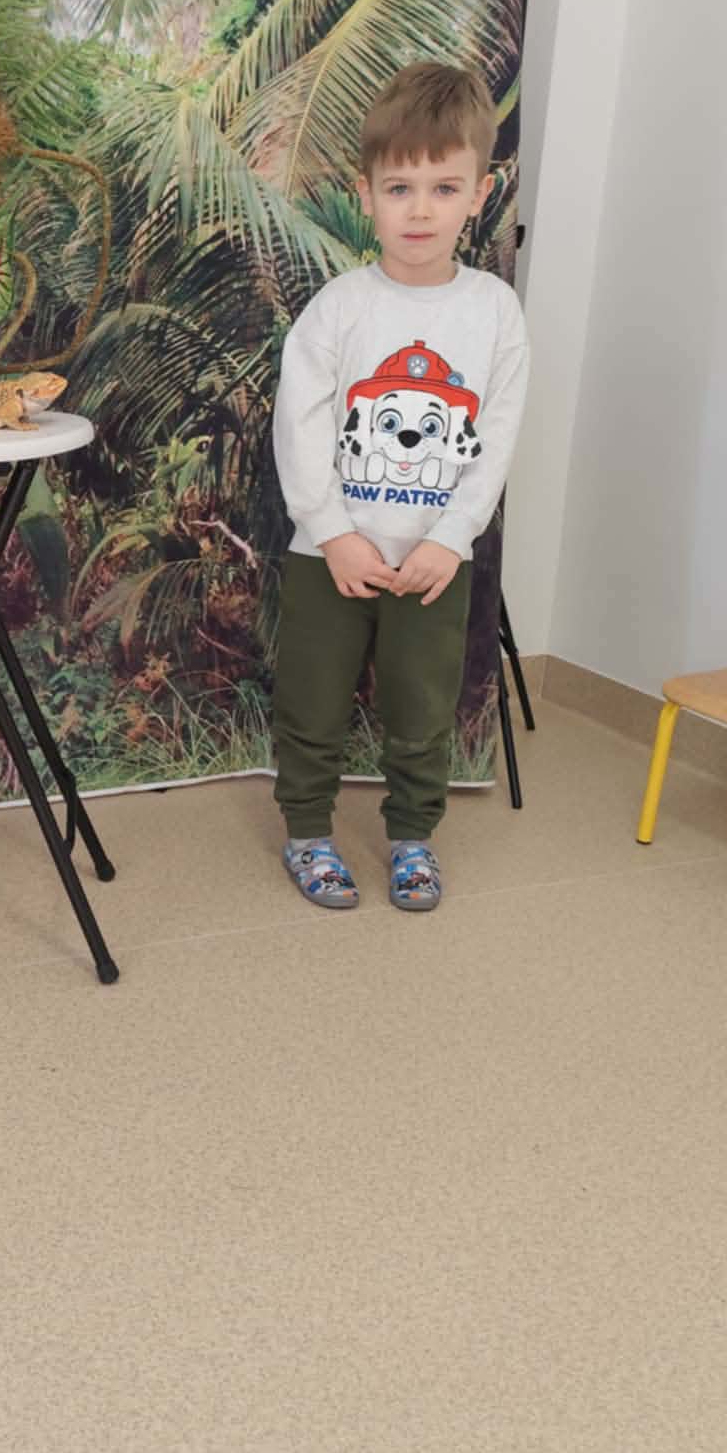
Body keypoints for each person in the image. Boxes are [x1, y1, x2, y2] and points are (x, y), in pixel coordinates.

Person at [271, 61, 529, 912]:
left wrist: (451, 538)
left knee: (422, 708)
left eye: (444, 187)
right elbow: (300, 423)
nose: (421, 210)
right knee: (312, 700)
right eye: (400, 188)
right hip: (330, 555)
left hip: (433, 562)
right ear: (367, 194)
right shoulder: (339, 307)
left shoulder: (494, 312)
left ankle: (413, 836)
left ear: (480, 193)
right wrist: (331, 529)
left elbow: (494, 438)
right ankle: (307, 833)